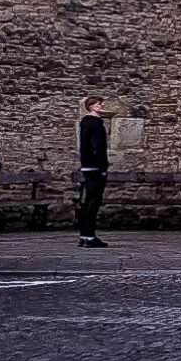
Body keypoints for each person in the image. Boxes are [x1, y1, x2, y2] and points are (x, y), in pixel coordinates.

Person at [76, 97, 111, 248]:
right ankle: (89, 237)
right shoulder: (96, 124)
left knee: (88, 202)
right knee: (93, 202)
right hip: (95, 168)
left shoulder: (85, 123)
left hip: (87, 166)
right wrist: (103, 167)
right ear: (91, 107)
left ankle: (85, 236)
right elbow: (98, 146)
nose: (100, 106)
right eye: (97, 104)